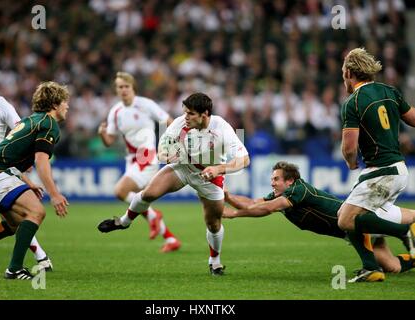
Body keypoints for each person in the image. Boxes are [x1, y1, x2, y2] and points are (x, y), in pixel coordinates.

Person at [98, 92, 250, 275]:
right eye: (185, 112)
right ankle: (123, 222)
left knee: (213, 223)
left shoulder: (222, 128)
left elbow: (244, 160)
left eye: (191, 113)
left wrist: (218, 169)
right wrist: (170, 155)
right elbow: (161, 150)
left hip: (210, 176)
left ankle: (215, 262)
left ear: (205, 114)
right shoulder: (180, 123)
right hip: (183, 167)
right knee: (148, 194)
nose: (186, 117)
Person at [223, 161, 415, 282]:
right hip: (352, 231)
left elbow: (266, 208)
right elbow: (254, 203)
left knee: (406, 219)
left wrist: (234, 212)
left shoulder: (298, 189)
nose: (272, 182)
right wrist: (229, 198)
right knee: (393, 267)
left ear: (289, 181)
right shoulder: (283, 194)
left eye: (276, 179)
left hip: (359, 223)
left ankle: (403, 232)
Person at [0, 81, 69, 280]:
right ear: (55, 104)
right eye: (66, 102)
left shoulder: (32, 120)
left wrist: (28, 182)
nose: (68, 107)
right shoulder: (49, 124)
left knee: (13, 225)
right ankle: (14, 269)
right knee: (36, 212)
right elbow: (41, 161)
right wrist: (55, 194)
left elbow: (8, 154)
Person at [338, 47, 415, 281]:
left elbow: (349, 147)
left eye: (343, 70)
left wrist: (351, 163)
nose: (342, 75)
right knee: (356, 216)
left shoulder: (354, 102)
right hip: (398, 169)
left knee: (345, 219)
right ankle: (373, 267)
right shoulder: (389, 91)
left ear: (350, 72)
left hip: (382, 171)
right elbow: (413, 119)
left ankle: (405, 231)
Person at [97, 71, 181, 253]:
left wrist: (171, 145)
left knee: (121, 191)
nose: (123, 90)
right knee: (138, 201)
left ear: (132, 87)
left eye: (126, 86)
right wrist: (102, 134)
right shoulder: (116, 111)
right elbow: (109, 141)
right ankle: (171, 238)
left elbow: (170, 122)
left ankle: (153, 215)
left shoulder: (145, 104)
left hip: (146, 155)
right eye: (120, 87)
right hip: (131, 159)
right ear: (116, 90)